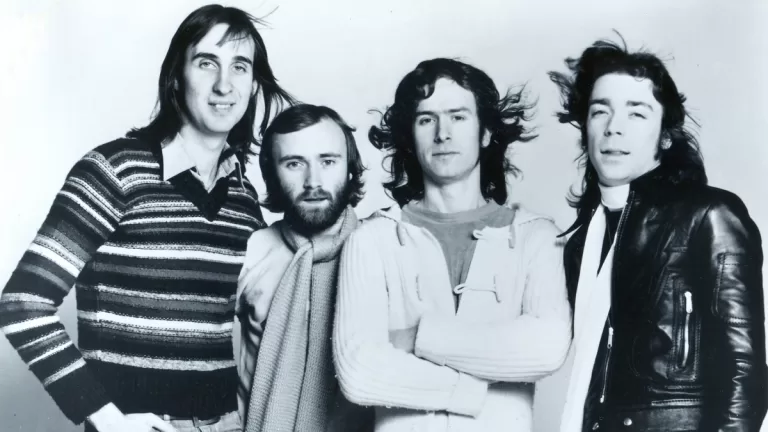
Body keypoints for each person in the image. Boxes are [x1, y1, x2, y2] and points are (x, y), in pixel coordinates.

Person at [0, 4, 294, 432]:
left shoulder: (243, 199)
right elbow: (23, 302)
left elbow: (272, 315)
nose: (224, 84)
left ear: (253, 87)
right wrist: (107, 419)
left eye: (239, 67)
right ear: (176, 76)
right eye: (206, 62)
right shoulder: (115, 170)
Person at [332, 57, 572, 432]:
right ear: (410, 137)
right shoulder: (372, 240)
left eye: (458, 117)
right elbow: (357, 373)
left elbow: (546, 349)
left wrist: (418, 337)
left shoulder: (536, 237)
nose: (442, 133)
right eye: (426, 119)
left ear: (486, 133)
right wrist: (471, 391)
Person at [549, 36, 768, 431]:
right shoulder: (582, 243)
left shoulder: (710, 216)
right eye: (600, 112)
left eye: (637, 113)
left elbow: (745, 370)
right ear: (585, 129)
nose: (614, 128)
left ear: (666, 135)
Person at [236, 103, 372, 431]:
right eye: (294, 163)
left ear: (350, 169)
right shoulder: (250, 251)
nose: (313, 181)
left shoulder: (381, 247)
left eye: (328, 161)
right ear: (272, 175)